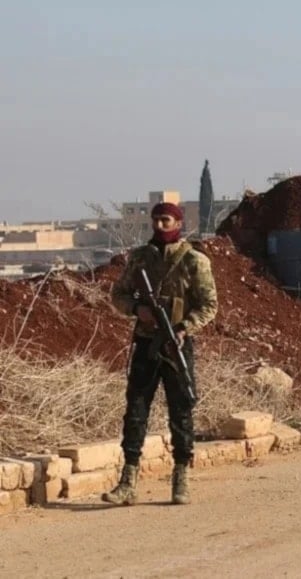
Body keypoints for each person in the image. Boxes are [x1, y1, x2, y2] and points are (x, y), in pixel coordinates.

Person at [103, 202, 218, 506]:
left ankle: (181, 476)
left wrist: (183, 328)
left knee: (181, 410)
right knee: (136, 411)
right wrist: (138, 310)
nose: (159, 226)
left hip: (176, 343)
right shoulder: (140, 258)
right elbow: (118, 295)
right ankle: (128, 479)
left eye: (165, 220)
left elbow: (208, 305)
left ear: (178, 222)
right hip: (145, 344)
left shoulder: (194, 261)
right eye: (155, 221)